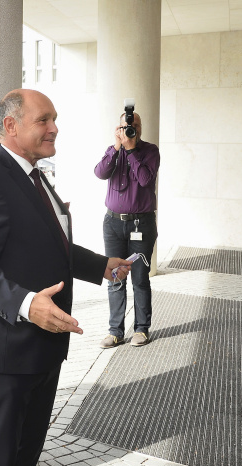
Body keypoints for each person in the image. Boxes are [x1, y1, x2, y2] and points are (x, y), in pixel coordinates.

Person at [0, 88, 131, 466]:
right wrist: (27, 304)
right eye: (44, 120)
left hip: (40, 349)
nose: (54, 128)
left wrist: (100, 265)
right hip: (3, 350)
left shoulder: (34, 175)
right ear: (11, 126)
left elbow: (52, 244)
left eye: (54, 119)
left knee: (22, 460)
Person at [94, 110, 160, 348]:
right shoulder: (113, 151)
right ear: (118, 129)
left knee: (140, 278)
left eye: (136, 126)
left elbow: (145, 180)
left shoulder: (150, 151)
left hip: (141, 224)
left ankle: (141, 329)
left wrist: (131, 151)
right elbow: (100, 172)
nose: (132, 130)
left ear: (140, 128)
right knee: (115, 278)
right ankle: (115, 332)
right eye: (126, 127)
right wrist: (117, 147)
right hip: (112, 224)